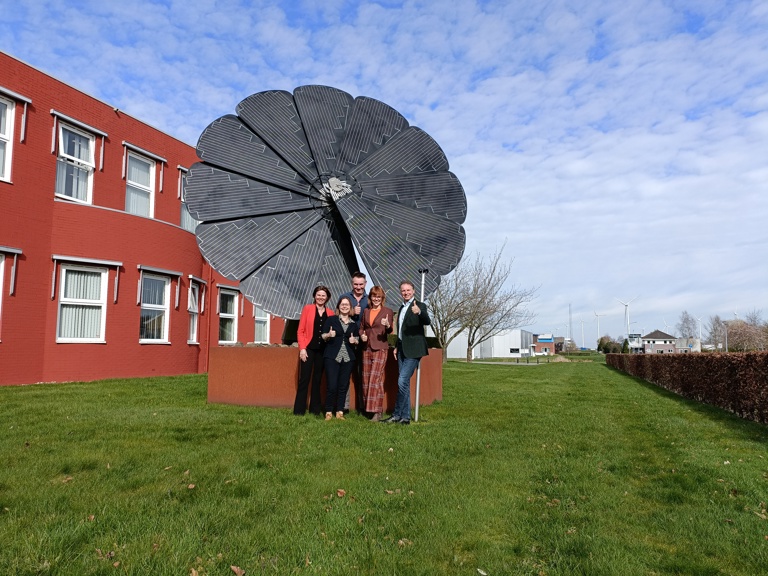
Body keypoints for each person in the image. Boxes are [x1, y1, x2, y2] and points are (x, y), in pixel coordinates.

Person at [384, 280, 431, 425]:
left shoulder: (420, 305)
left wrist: (419, 312)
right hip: (401, 349)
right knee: (403, 384)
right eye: (403, 291)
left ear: (414, 291)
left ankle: (400, 416)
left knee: (402, 381)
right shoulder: (401, 307)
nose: (406, 293)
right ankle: (401, 417)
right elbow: (401, 331)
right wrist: (397, 346)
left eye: (408, 290)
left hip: (414, 350)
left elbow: (427, 321)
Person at [293, 286, 334, 416]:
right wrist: (302, 349)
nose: (320, 297)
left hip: (323, 350)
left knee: (317, 380)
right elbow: (300, 331)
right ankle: (299, 410)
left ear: (327, 298)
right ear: (314, 296)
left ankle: (315, 410)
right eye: (318, 295)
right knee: (304, 379)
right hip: (308, 349)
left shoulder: (331, 313)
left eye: (323, 295)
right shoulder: (307, 309)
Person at [322, 296, 360, 420]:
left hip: (348, 357)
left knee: (343, 385)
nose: (344, 306)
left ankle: (340, 411)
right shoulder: (331, 320)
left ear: (350, 307)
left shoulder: (353, 324)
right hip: (332, 356)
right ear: (338, 306)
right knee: (332, 385)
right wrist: (329, 334)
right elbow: (323, 336)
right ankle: (328, 411)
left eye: (347, 304)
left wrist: (355, 341)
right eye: (342, 304)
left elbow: (357, 339)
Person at [359, 286, 394, 421]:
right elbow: (362, 328)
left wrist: (387, 325)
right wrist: (362, 335)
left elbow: (390, 330)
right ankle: (368, 409)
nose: (376, 299)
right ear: (370, 297)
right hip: (366, 347)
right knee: (366, 379)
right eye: (374, 296)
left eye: (378, 296)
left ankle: (377, 411)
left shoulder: (387, 311)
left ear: (382, 298)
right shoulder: (366, 311)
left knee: (375, 379)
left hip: (380, 348)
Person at [341, 271, 368, 412]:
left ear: (365, 284)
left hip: (364, 342)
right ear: (352, 284)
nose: (358, 287)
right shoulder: (344, 297)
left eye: (361, 284)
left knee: (362, 375)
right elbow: (338, 316)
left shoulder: (369, 300)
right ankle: (344, 406)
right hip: (347, 341)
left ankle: (362, 406)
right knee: (345, 374)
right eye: (356, 284)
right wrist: (352, 312)